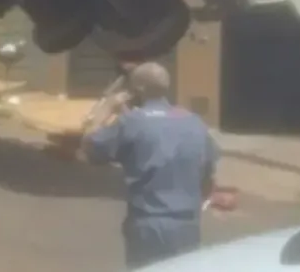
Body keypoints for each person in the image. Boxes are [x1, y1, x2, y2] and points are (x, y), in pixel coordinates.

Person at [77, 61, 219, 270]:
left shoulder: (132, 122)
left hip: (148, 224)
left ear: (137, 90)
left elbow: (90, 148)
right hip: (187, 225)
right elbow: (209, 178)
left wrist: (105, 110)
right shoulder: (194, 122)